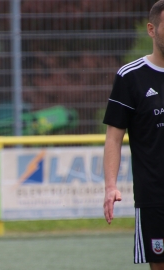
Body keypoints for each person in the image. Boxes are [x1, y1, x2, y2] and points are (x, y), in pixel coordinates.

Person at [103, 0, 164, 269]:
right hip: (154, 198)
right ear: (151, 29)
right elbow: (114, 138)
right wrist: (110, 186)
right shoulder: (130, 77)